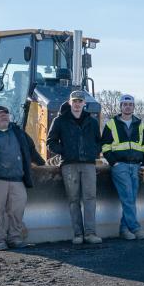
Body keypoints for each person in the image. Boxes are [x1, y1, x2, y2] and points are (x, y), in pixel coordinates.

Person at [0, 105, 46, 251]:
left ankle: (14, 238)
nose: (4, 116)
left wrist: (43, 164)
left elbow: (30, 150)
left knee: (17, 211)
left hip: (17, 180)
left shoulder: (18, 132)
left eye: (6, 114)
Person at [47, 90, 103, 245]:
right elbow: (51, 142)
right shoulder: (60, 121)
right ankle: (78, 234)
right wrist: (65, 151)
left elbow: (99, 141)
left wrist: (93, 151)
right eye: (75, 101)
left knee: (90, 198)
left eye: (80, 101)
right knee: (73, 199)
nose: (77, 104)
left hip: (88, 165)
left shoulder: (91, 122)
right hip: (69, 165)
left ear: (84, 103)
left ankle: (90, 233)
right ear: (70, 103)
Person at [101, 94, 144, 241]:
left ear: (134, 107)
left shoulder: (141, 124)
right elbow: (105, 146)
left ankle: (124, 229)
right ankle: (135, 227)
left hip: (136, 166)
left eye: (130, 104)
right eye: (124, 104)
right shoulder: (111, 124)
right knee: (128, 196)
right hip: (120, 166)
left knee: (132, 198)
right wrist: (113, 162)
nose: (127, 107)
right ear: (121, 107)